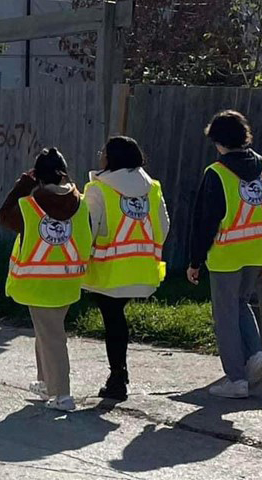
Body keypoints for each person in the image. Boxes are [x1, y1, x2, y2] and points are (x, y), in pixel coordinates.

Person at [188, 110, 262, 399]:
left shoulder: (216, 173)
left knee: (225, 314)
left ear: (218, 141)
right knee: (242, 303)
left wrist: (195, 260)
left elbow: (205, 220)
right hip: (259, 248)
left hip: (227, 252)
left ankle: (236, 378)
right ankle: (255, 355)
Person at [0, 147, 90, 412]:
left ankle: (62, 394)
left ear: (37, 176)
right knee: (47, 332)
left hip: (37, 282)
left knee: (52, 336)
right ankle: (45, 383)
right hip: (67, 280)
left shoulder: (28, 207)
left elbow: (3, 216)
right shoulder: (82, 203)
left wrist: (21, 185)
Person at [82, 136, 170, 402]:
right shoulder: (152, 188)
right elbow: (163, 227)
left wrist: (80, 258)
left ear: (110, 158)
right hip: (142, 267)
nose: (100, 156)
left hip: (108, 269)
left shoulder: (99, 189)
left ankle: (118, 376)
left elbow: (89, 229)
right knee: (117, 319)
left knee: (113, 321)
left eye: (103, 152)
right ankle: (119, 374)